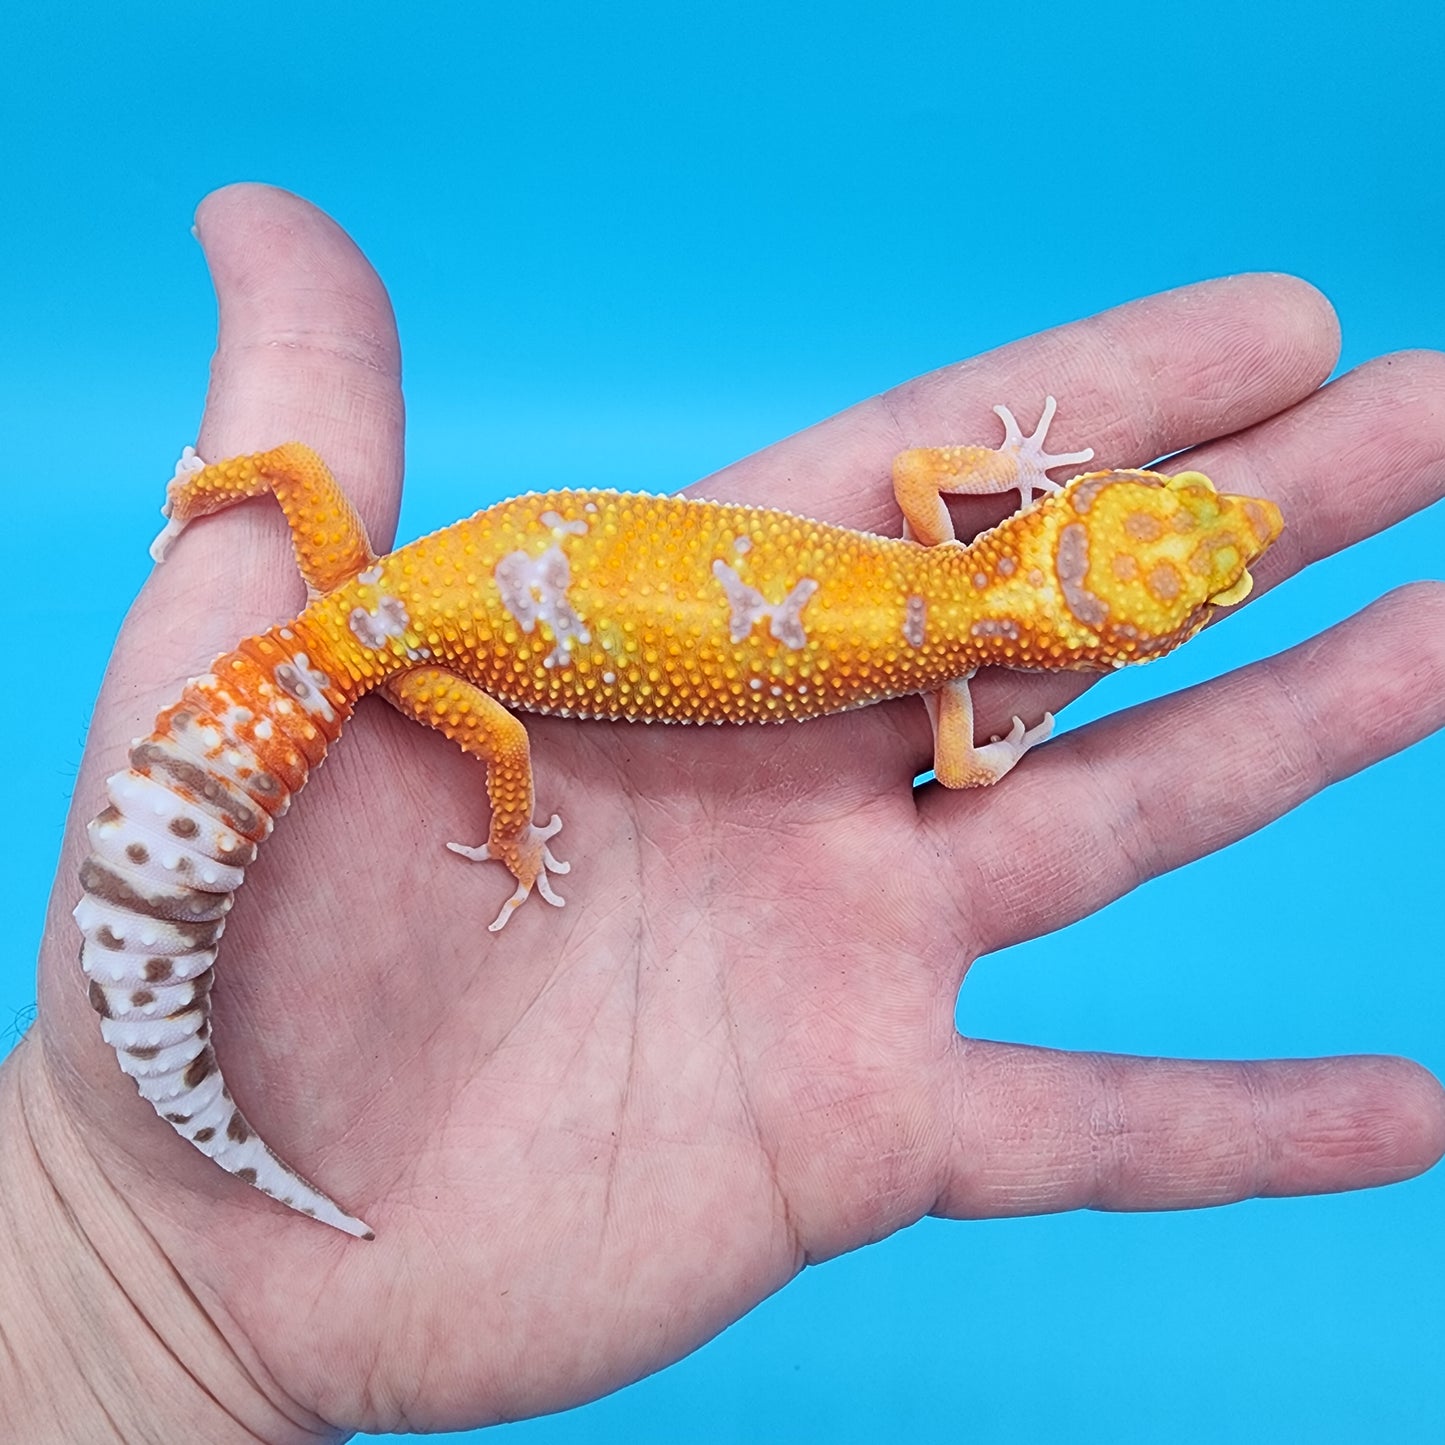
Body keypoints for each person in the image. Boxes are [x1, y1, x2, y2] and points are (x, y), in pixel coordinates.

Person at [2, 183, 1442, 1442]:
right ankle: (471, 855)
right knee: (497, 752)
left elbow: (915, 475)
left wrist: (216, 489)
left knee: (319, 514)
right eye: (1202, 582)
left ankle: (229, 506)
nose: (1231, 555)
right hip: (414, 651)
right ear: (1104, 614)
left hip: (390, 612)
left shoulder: (949, 581)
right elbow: (963, 736)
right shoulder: (954, 657)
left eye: (1199, 572)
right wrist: (990, 756)